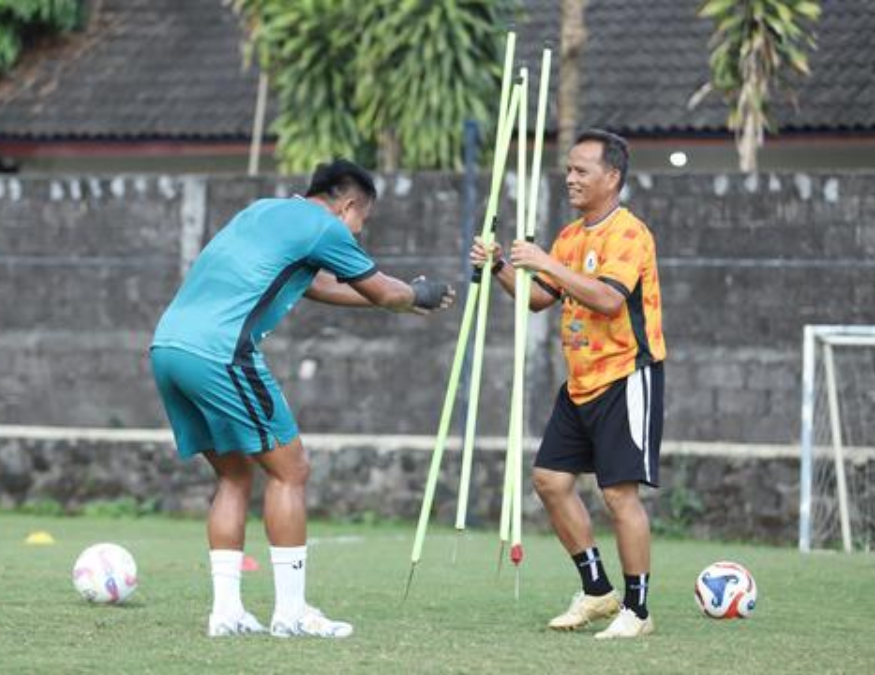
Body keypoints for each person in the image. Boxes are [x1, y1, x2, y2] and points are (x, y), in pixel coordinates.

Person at [150, 159, 455, 638]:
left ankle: (226, 614)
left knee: (234, 474)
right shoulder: (324, 227)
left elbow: (312, 284)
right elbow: (381, 290)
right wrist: (417, 293)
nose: (358, 231)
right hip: (221, 352)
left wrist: (393, 300)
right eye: (363, 222)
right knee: (291, 470)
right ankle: (290, 614)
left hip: (168, 347)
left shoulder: (262, 212)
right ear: (349, 205)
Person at [472, 129, 666, 639]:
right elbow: (539, 299)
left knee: (619, 494)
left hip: (627, 375)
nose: (571, 179)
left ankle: (638, 611)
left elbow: (607, 300)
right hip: (579, 380)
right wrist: (500, 267)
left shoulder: (630, 233)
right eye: (570, 170)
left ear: (612, 177)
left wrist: (546, 262)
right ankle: (597, 590)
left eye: (582, 170)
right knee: (550, 481)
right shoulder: (569, 236)